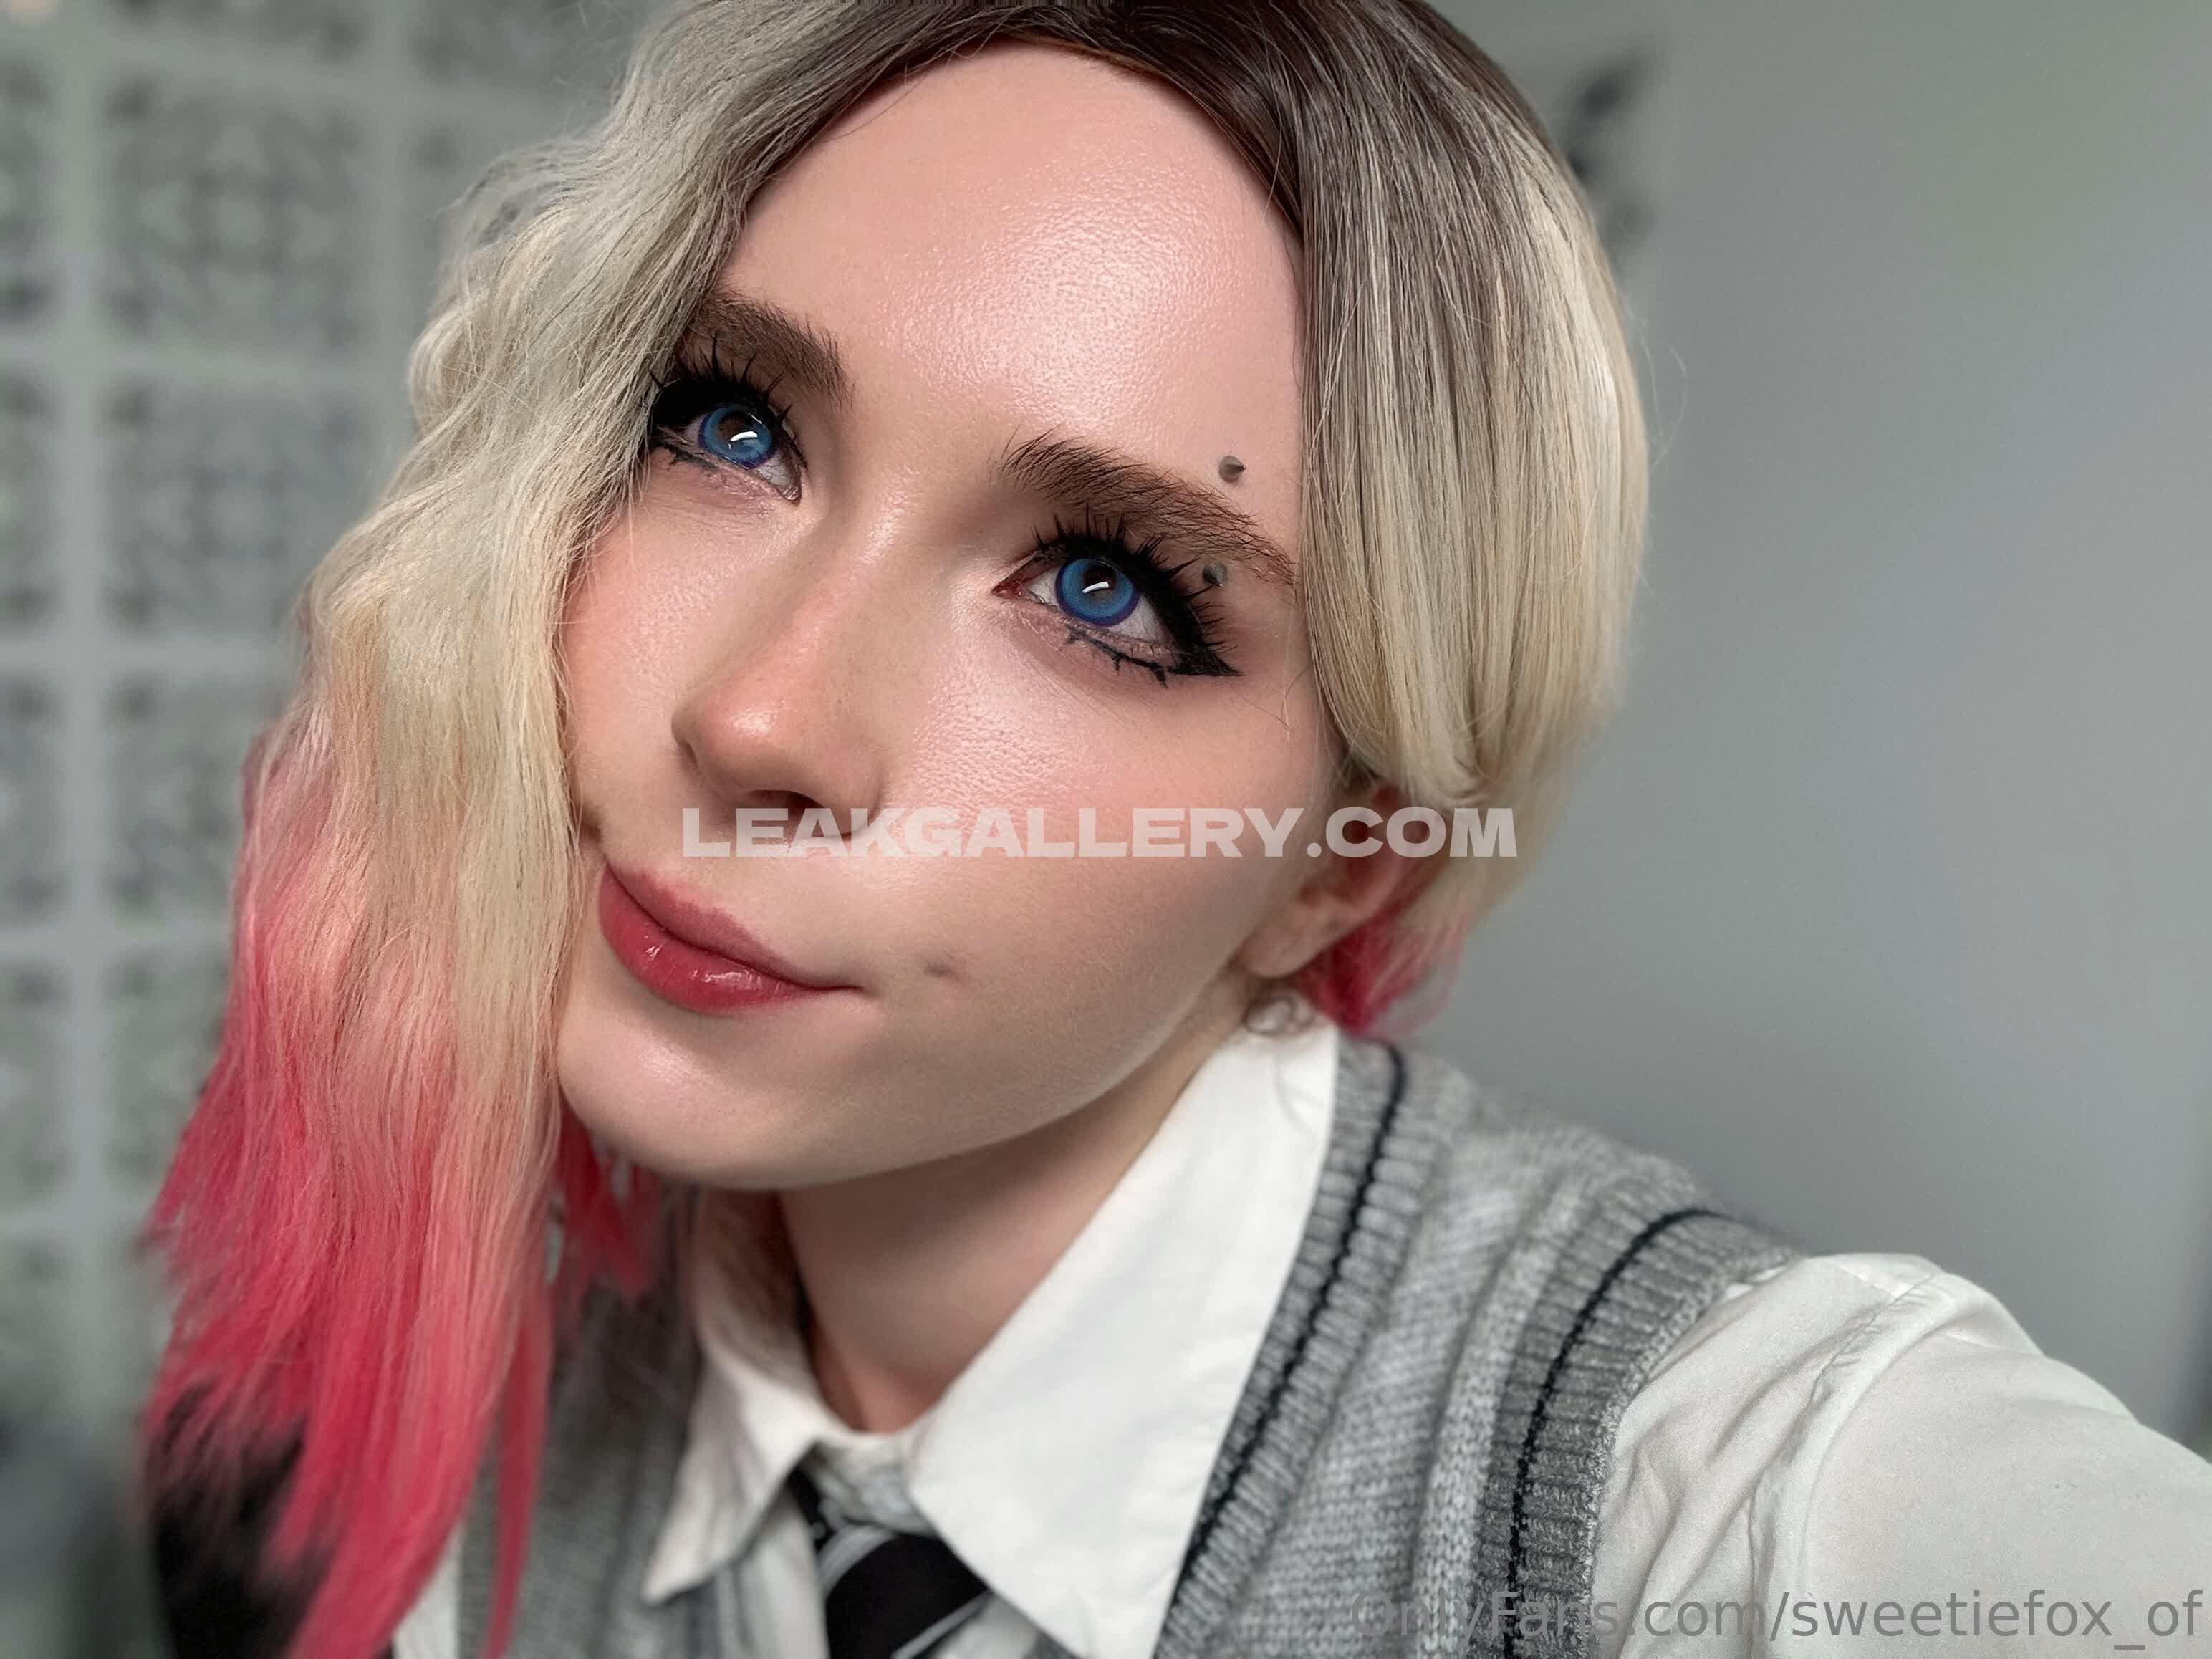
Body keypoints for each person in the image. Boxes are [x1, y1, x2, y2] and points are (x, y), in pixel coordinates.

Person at [135, 4, 2212, 1658]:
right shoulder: (509, 1402)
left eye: (1106, 588)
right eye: (731, 425)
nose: (757, 718)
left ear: (1347, 857)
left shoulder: (1724, 1492)